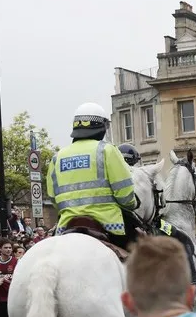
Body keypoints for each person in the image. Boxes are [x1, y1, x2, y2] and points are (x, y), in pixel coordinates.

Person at [48, 102, 138, 250]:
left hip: (66, 225)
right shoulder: (107, 150)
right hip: (108, 224)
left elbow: (53, 198)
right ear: (102, 127)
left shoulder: (57, 157)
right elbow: (124, 194)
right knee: (141, 253)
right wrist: (132, 204)